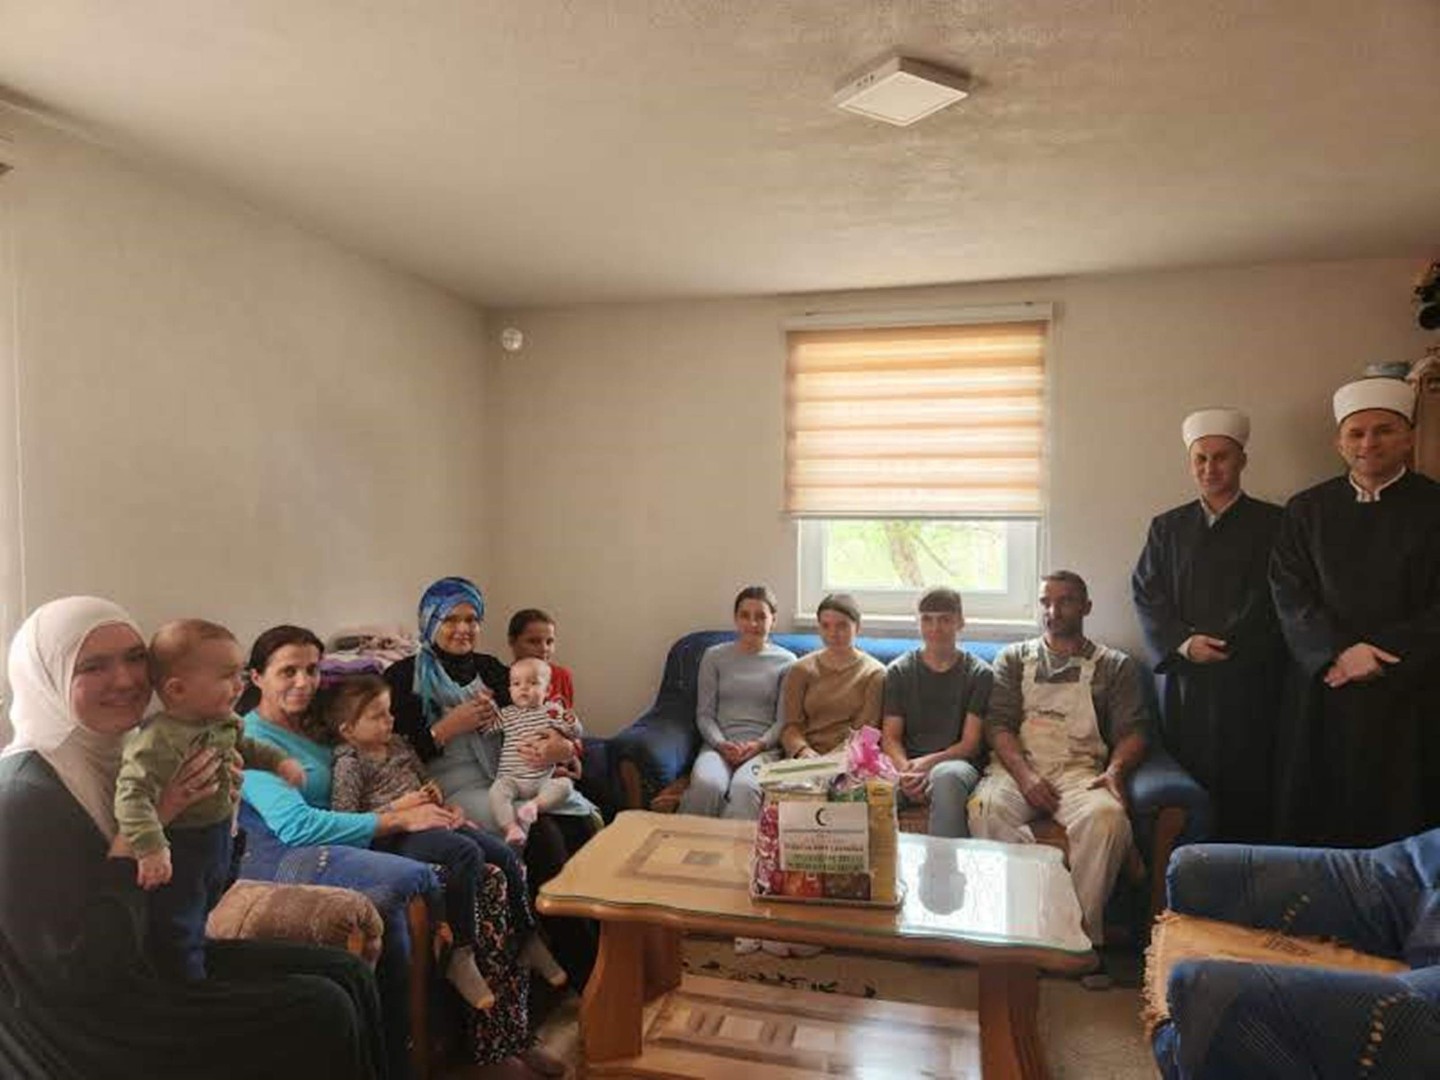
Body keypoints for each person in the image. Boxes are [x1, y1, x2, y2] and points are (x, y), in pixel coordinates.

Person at [0, 597, 386, 1080]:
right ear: (48, 678)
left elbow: (200, 898)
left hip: (149, 958)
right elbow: (78, 972)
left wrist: (220, 817)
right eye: (93, 666)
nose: (126, 680)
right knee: (320, 1006)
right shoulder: (23, 798)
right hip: (84, 1022)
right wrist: (148, 828)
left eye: (135, 658)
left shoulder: (136, 751)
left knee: (346, 973)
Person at [240, 624, 542, 1079]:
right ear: (256, 677)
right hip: (313, 848)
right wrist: (398, 818)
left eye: (312, 670)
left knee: (495, 873)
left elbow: (386, 766)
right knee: (467, 878)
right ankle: (441, 1053)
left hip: (369, 830)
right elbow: (297, 825)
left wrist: (436, 805)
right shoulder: (252, 740)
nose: (303, 682)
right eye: (288, 671)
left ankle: (500, 1039)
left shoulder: (316, 722)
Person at [385, 576, 599, 991]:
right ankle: (585, 970)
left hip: (505, 775)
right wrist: (446, 728)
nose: (463, 629)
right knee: (543, 834)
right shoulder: (402, 676)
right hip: (450, 789)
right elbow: (393, 755)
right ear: (429, 621)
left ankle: (606, 945)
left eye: (471, 619)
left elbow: (536, 714)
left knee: (580, 823)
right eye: (451, 619)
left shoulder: (491, 669)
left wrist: (558, 747)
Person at [326, 676, 567, 1011]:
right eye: (377, 716)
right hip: (394, 836)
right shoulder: (349, 765)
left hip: (433, 818)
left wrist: (442, 800)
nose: (389, 721)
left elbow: (426, 780)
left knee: (502, 852)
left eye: (389, 712)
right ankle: (460, 953)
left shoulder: (399, 745)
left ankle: (527, 936)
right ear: (348, 730)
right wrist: (398, 808)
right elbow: (346, 819)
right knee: (465, 852)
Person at [1270, 377, 1440, 848]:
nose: (1369, 443)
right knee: (1321, 825)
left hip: (1410, 692)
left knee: (1405, 825)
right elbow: (1289, 593)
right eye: (1356, 433)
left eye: (1384, 430)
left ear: (1408, 437)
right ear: (1338, 443)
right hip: (1325, 690)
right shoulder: (1305, 510)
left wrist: (1383, 653)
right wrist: (1338, 652)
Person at [968, 571, 1149, 955]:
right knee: (985, 809)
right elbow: (998, 725)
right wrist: (1026, 776)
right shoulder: (1013, 659)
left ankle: (1077, 941)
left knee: (1108, 819)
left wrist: (1115, 772)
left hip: (1079, 770)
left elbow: (1134, 731)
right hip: (1017, 768)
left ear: (1086, 607)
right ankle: (1020, 928)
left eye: (1065, 601)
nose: (1053, 611)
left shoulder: (1114, 666)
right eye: (1045, 602)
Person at [115, 618, 304, 981]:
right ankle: (185, 983)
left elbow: (247, 747)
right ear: (178, 689)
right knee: (178, 919)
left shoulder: (224, 721)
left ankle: (198, 954)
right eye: (227, 676)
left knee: (206, 903)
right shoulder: (158, 740)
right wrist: (151, 847)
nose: (240, 685)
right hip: (181, 844)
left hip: (218, 835)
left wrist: (280, 762)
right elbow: (132, 795)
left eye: (241, 674)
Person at [1131, 408, 1285, 841]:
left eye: (1221, 457)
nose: (1210, 468)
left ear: (1242, 461)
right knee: (1186, 784)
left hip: (1249, 678)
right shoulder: (1167, 527)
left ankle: (1243, 878)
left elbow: (1276, 596)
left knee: (1248, 785)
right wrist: (1184, 643)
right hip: (1186, 681)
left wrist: (1225, 645)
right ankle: (1184, 877)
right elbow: (1146, 593)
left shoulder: (1275, 524)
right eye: (1201, 458)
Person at [880, 587, 991, 838]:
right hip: (908, 764)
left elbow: (970, 744)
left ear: (960, 622)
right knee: (874, 791)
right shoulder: (899, 671)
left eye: (944, 620)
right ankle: (883, 863)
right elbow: (891, 737)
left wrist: (928, 763)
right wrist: (906, 772)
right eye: (927, 619)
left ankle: (944, 863)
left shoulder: (979, 674)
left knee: (945, 778)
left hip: (957, 764)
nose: (935, 628)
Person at [678, 585, 795, 820]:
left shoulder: (787, 661)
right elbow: (705, 714)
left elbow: (783, 720)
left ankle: (735, 845)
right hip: (718, 746)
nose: (752, 623)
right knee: (708, 785)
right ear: (735, 619)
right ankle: (688, 841)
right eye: (745, 615)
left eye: (761, 616)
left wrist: (759, 745)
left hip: (764, 750)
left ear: (773, 620)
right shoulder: (714, 656)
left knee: (745, 789)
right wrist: (721, 744)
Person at [779, 593, 884, 758]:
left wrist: (830, 762)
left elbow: (866, 734)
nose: (833, 633)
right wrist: (802, 751)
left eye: (842, 626)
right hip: (805, 758)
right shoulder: (800, 669)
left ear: (857, 627)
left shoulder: (874, 673)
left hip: (851, 758)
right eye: (825, 626)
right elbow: (791, 727)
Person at [489, 659, 582, 846]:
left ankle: (533, 806)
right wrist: (487, 707)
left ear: (547, 691)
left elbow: (574, 733)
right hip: (511, 778)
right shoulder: (506, 714)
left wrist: (571, 721)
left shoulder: (552, 711)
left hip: (543, 779)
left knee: (565, 785)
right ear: (510, 690)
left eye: (533, 683)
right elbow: (486, 729)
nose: (524, 688)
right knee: (497, 792)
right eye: (516, 684)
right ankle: (511, 828)